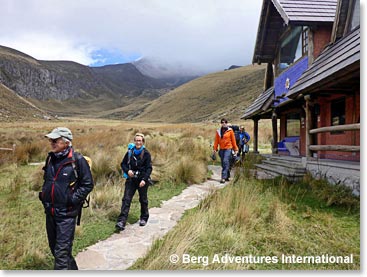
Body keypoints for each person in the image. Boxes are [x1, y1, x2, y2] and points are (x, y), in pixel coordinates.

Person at [39, 127, 94, 270]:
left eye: (55, 140)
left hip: (66, 215)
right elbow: (48, 180)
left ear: (66, 142)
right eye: (51, 140)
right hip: (50, 212)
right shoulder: (51, 158)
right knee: (56, 250)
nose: (51, 142)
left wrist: (72, 200)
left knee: (61, 255)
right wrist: (43, 195)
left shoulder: (78, 160)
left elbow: (88, 184)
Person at [116, 133, 153, 231]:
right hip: (131, 180)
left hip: (142, 180)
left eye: (140, 140)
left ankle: (144, 218)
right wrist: (127, 171)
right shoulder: (130, 152)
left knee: (143, 200)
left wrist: (144, 180)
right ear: (134, 141)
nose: (138, 142)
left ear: (143, 142)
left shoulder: (146, 154)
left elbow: (149, 168)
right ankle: (122, 221)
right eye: (136, 140)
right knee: (126, 200)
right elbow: (123, 164)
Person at [213, 118, 238, 183]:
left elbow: (233, 141)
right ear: (221, 123)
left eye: (225, 122)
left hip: (228, 149)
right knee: (224, 164)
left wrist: (235, 149)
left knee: (225, 161)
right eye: (222, 122)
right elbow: (216, 141)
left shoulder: (230, 131)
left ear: (227, 123)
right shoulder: (218, 131)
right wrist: (215, 149)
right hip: (221, 150)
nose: (224, 123)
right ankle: (227, 176)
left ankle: (223, 178)